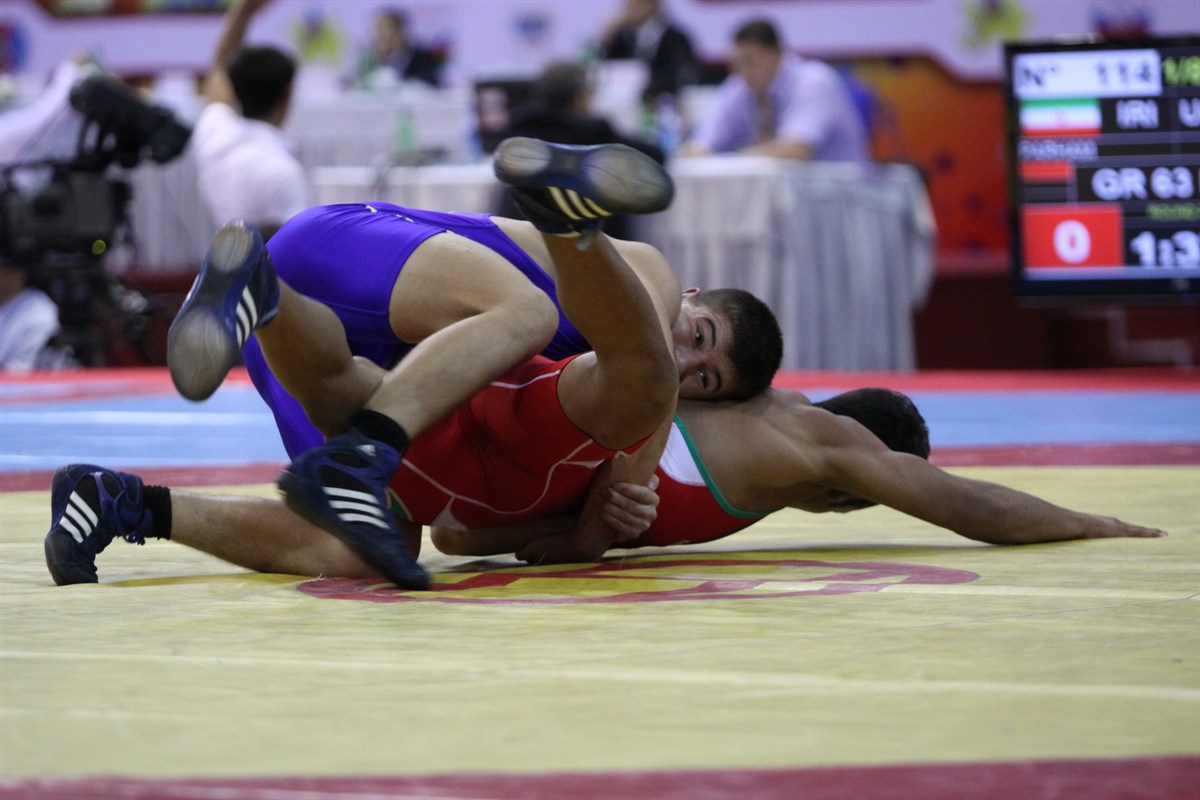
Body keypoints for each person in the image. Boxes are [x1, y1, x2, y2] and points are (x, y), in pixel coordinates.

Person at [43, 140, 689, 588]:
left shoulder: (583, 377)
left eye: (706, 374)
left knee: (366, 547)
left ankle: (123, 502)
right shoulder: (647, 277)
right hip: (346, 248)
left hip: (301, 327)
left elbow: (455, 538)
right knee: (526, 313)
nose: (692, 358)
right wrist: (592, 531)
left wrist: (585, 524)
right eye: (702, 334)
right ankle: (562, 218)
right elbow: (654, 388)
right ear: (693, 296)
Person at [41, 385, 1165, 587]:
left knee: (371, 545)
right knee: (372, 535)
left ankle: (127, 502)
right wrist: (1089, 520)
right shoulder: (813, 442)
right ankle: (282, 314)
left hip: (484, 451)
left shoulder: (764, 427)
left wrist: (561, 538)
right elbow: (959, 500)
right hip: (490, 423)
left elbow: (485, 539)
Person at [493, 60, 664, 240]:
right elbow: (654, 156)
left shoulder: (520, 133)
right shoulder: (591, 131)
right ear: (578, 96)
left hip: (515, 242)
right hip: (584, 244)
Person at [190, 0, 313, 239]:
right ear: (286, 98)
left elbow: (220, 69)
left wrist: (243, 10)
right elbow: (299, 247)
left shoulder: (215, 136)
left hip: (228, 258)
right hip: (268, 263)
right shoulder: (282, 171)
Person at [684, 18, 870, 163]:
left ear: (777, 54)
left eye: (750, 62)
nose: (743, 72)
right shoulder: (739, 85)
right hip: (787, 195)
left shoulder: (814, 82)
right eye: (736, 63)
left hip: (842, 194)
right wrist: (696, 152)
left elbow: (796, 150)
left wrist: (733, 160)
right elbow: (702, 144)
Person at [596, 0, 699, 103]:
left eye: (638, 4)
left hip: (663, 100)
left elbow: (682, 73)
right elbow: (606, 65)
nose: (632, 9)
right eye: (630, 5)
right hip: (626, 100)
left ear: (653, 5)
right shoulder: (624, 37)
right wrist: (608, 36)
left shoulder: (676, 39)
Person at [0, 259, 67, 372]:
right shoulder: (4, 303)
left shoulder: (39, 308)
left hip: (26, 379)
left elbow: (21, 367)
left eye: (4, 271)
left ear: (18, 274)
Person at [354, 7, 443, 89]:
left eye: (386, 31)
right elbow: (358, 82)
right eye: (378, 31)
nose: (380, 36)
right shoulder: (368, 58)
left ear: (400, 32)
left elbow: (430, 85)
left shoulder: (420, 58)